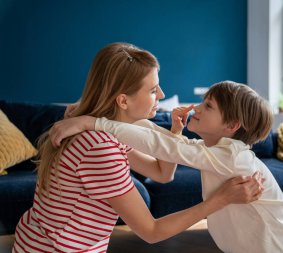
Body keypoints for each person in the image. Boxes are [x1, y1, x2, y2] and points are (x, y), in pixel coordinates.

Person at [12, 43, 264, 253]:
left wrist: (175, 132)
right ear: (122, 100)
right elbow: (151, 231)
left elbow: (163, 174)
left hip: (42, 242)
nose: (162, 95)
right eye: (153, 90)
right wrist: (220, 200)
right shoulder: (98, 148)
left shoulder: (105, 133)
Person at [50, 81, 283, 252]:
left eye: (208, 106)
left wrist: (93, 123)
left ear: (232, 126)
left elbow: (162, 145)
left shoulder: (235, 158)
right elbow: (161, 139)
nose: (196, 107)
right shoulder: (216, 153)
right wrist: (95, 116)